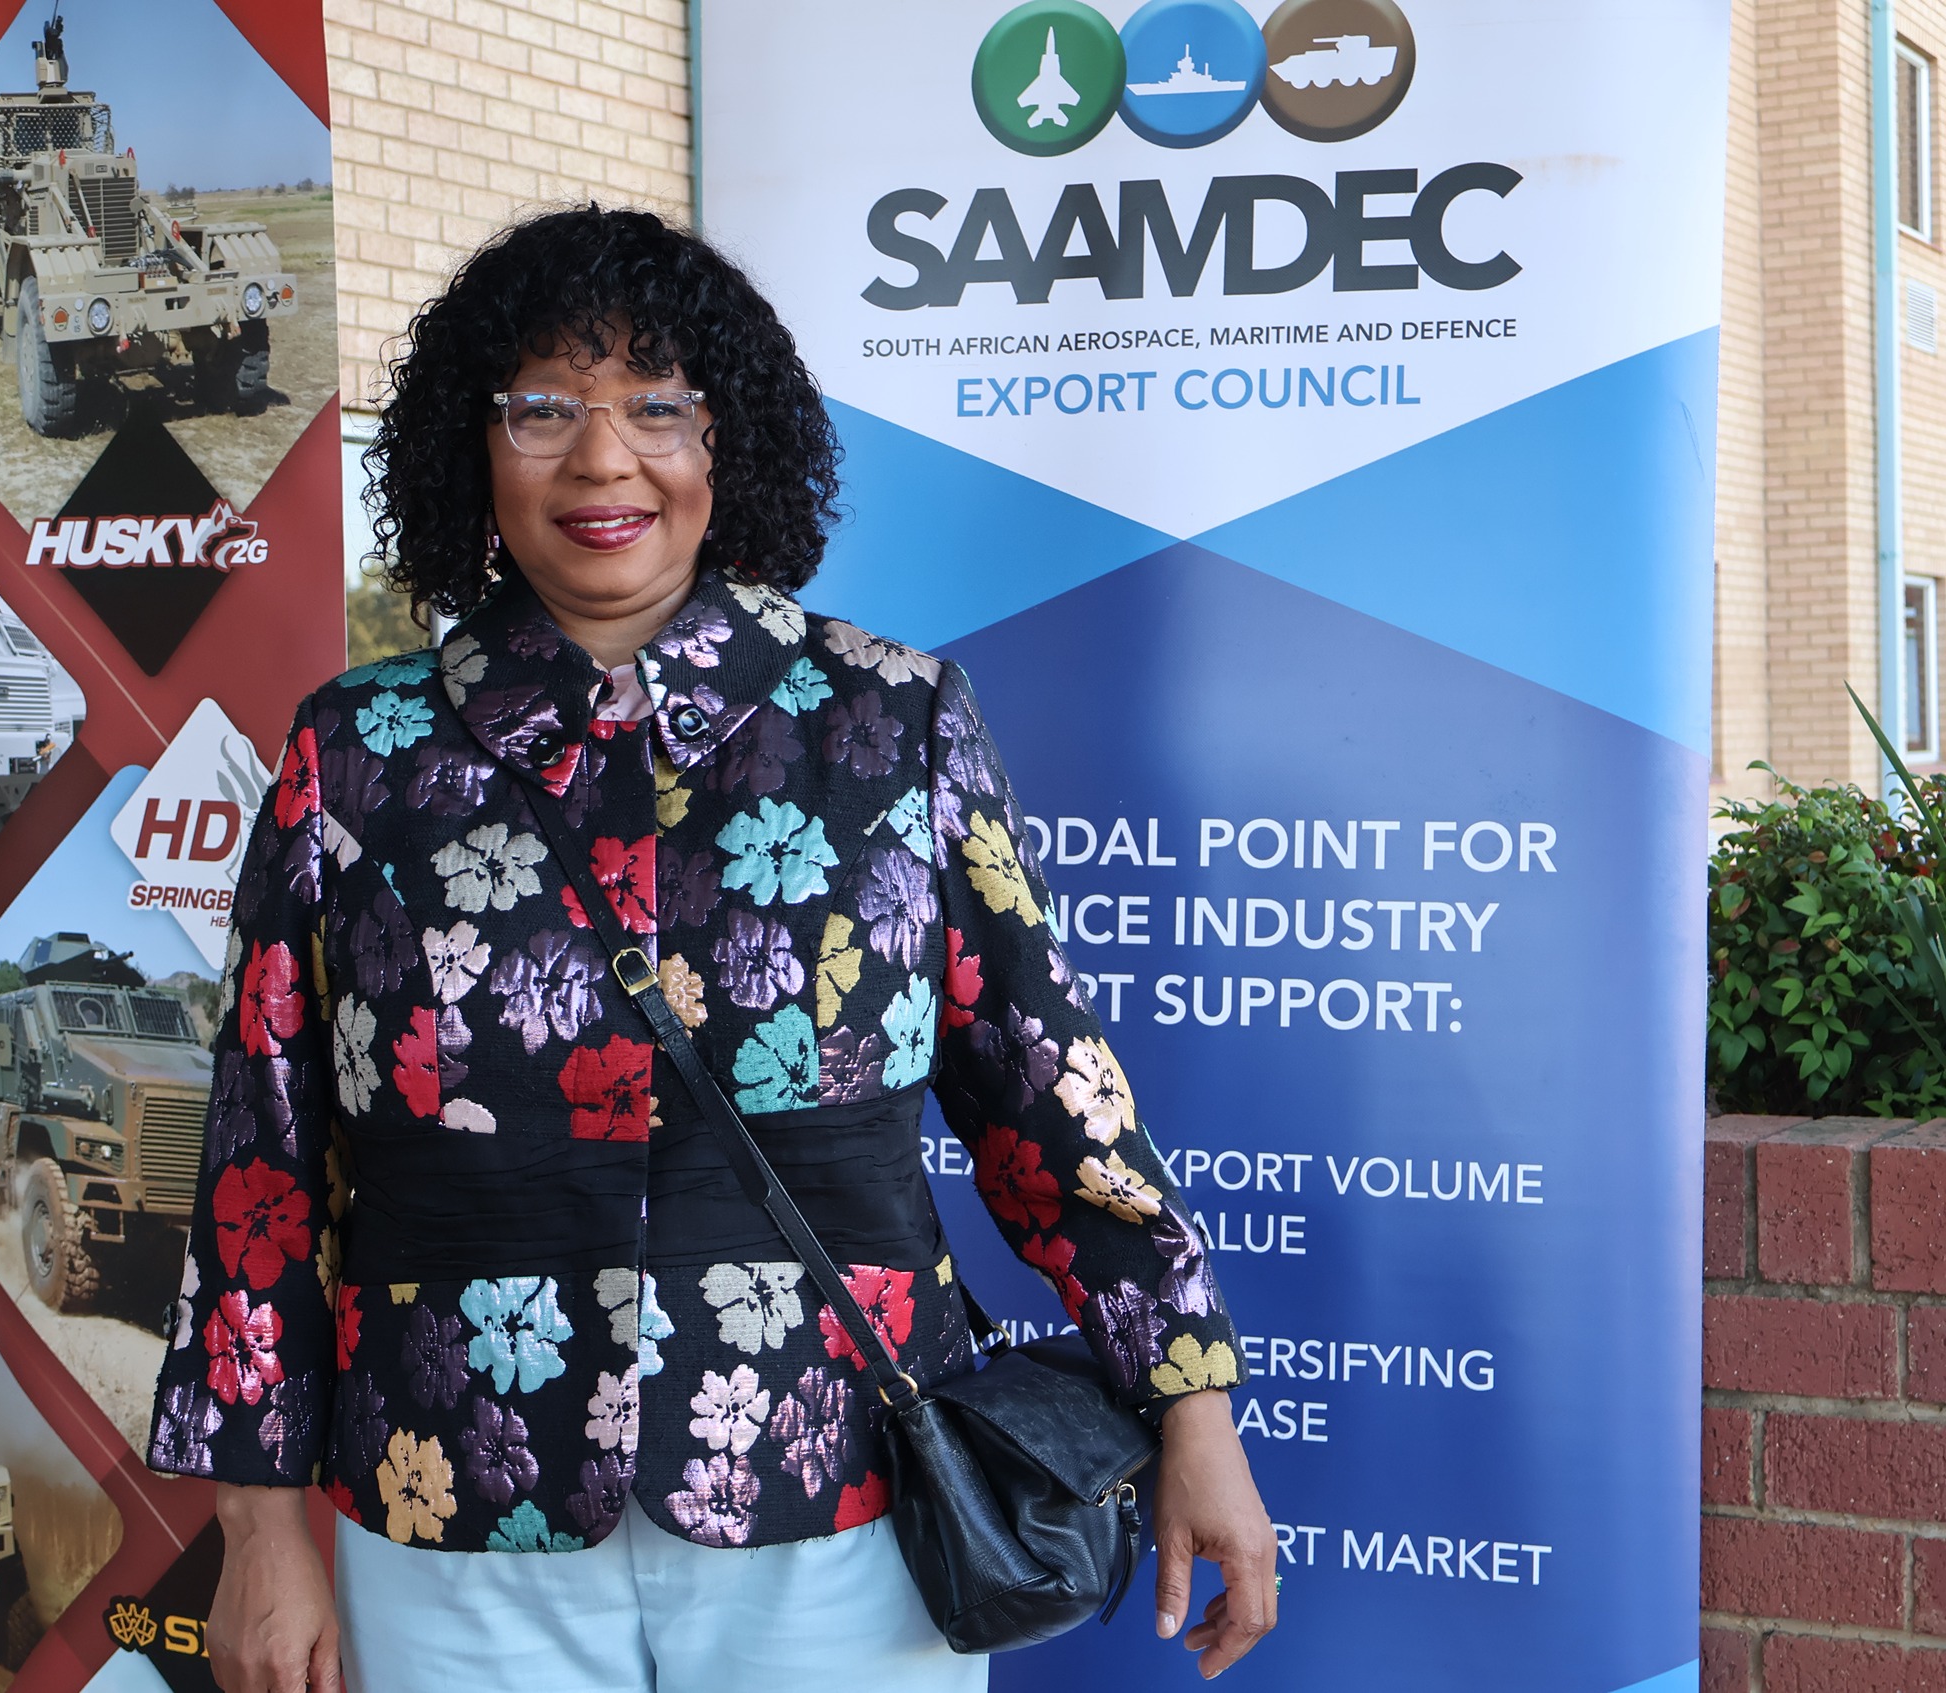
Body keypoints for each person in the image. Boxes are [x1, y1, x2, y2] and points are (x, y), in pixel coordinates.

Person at [147, 206, 1276, 1693]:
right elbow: (264, 1155)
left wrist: (1193, 1408)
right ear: (473, 447)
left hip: (837, 1475)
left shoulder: (893, 721)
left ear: (725, 439)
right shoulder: (357, 753)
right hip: (452, 1486)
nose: (602, 458)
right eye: (543, 408)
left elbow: (1046, 1088)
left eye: (656, 405)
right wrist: (258, 1525)